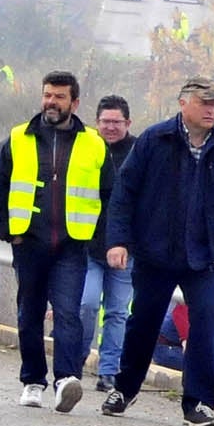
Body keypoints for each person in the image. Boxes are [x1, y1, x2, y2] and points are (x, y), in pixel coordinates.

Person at [100, 78, 214, 426]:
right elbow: (124, 194)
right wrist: (118, 241)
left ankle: (199, 403)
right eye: (204, 103)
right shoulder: (154, 141)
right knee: (142, 322)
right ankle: (124, 389)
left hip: (204, 256)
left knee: (206, 324)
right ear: (183, 104)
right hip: (156, 252)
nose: (210, 110)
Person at [0, 71, 117, 412]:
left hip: (72, 243)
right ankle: (32, 380)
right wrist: (5, 230)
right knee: (30, 313)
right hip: (28, 241)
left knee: (69, 312)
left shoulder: (93, 143)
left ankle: (66, 380)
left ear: (75, 102)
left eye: (59, 97)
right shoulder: (18, 139)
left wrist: (101, 237)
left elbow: (110, 195)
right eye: (47, 95)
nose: (51, 102)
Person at [79, 95, 135, 389]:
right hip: (87, 243)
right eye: (105, 122)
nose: (110, 127)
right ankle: (76, 358)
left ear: (128, 123)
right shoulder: (85, 147)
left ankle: (109, 370)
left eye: (116, 122)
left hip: (126, 248)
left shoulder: (140, 152)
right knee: (87, 304)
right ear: (96, 122)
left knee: (117, 312)